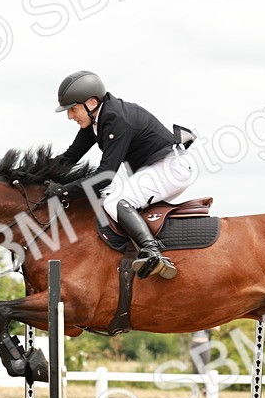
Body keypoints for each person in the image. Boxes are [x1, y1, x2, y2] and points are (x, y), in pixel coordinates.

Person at [42, 70, 196, 280]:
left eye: (73, 109)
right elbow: (70, 157)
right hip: (159, 168)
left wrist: (63, 191)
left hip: (172, 168)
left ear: (92, 103)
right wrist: (34, 173)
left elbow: (104, 177)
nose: (70, 116)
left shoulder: (116, 119)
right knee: (115, 201)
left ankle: (152, 253)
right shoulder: (96, 121)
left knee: (116, 201)